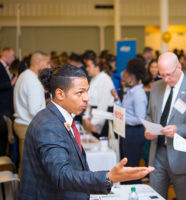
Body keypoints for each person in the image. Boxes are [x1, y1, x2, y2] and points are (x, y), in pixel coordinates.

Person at [19, 64, 154, 200]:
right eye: (80, 92)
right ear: (60, 94)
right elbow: (61, 175)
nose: (86, 98)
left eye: (86, 91)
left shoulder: (56, 117)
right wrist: (109, 177)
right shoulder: (49, 125)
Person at [145, 52, 186, 200]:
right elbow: (149, 115)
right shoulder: (156, 86)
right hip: (157, 154)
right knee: (155, 197)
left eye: (169, 74)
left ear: (179, 67)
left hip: (183, 156)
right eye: (162, 75)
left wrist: (178, 130)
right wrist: (149, 129)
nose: (166, 79)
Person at [13, 51, 51, 174]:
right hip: (27, 126)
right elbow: (35, 110)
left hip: (23, 124)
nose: (49, 66)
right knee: (28, 168)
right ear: (38, 62)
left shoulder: (25, 75)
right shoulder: (32, 80)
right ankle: (24, 193)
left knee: (25, 165)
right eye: (47, 63)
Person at [111, 58, 148, 183]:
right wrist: (116, 99)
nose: (123, 78)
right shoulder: (130, 92)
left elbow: (140, 119)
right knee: (125, 167)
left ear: (132, 76)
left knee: (131, 168)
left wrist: (121, 119)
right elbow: (123, 110)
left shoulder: (139, 94)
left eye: (126, 75)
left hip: (134, 134)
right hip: (127, 132)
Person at [83, 57, 114, 138]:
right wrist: (86, 117)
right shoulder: (94, 79)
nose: (87, 69)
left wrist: (95, 122)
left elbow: (103, 104)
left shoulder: (105, 79)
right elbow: (89, 100)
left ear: (97, 67)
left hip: (104, 117)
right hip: (94, 114)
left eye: (89, 66)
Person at [0, 47, 15, 156]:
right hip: (2, 106)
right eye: (12, 55)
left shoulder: (7, 68)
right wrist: (11, 83)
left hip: (7, 106)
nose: (14, 58)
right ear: (5, 54)